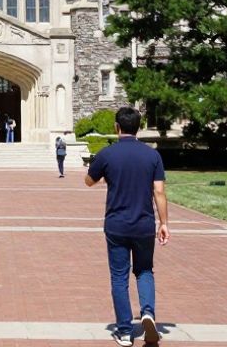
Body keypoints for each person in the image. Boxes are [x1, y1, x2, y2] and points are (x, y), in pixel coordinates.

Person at [85, 107, 168, 347]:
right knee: (144, 271)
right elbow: (159, 191)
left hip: (117, 225)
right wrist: (164, 223)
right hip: (144, 224)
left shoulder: (107, 154)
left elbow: (89, 181)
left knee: (119, 276)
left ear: (116, 127)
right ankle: (148, 314)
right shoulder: (152, 156)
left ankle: (123, 330)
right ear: (138, 127)